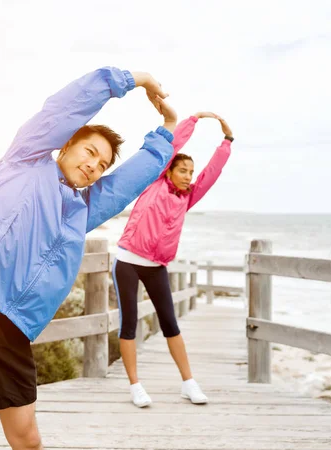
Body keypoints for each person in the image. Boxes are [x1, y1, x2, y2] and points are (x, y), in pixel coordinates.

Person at [0, 67, 178, 450]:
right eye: (90, 151)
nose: (94, 165)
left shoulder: (83, 211)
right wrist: (135, 79)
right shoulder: (26, 158)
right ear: (66, 145)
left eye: (103, 164)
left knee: (27, 439)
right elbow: (65, 107)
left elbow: (128, 183)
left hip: (13, 325)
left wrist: (168, 128)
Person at [113, 112, 233, 408]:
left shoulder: (187, 198)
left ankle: (188, 383)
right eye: (183, 170)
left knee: (171, 324)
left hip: (157, 267)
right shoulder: (155, 182)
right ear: (169, 171)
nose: (189, 176)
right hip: (128, 260)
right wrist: (194, 120)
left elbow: (211, 174)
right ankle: (135, 386)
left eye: (191, 172)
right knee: (129, 325)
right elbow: (172, 147)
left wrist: (226, 142)